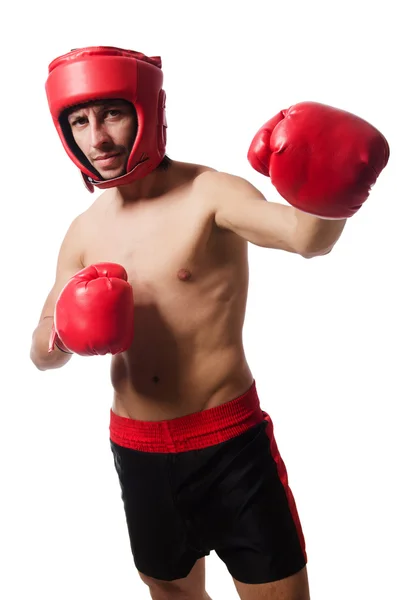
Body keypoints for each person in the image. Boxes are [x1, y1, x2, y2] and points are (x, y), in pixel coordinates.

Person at [30, 46, 389, 600]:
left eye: (112, 114)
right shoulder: (83, 231)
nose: (97, 138)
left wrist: (328, 188)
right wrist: (63, 334)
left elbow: (304, 239)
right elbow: (41, 349)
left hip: (229, 446)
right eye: (80, 121)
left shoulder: (208, 193)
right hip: (137, 449)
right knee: (170, 592)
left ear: (148, 111)